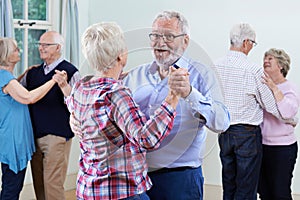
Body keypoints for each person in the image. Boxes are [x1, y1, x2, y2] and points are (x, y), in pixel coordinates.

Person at [67, 22, 184, 200]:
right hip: (120, 191)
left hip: (88, 189)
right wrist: (172, 98)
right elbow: (146, 138)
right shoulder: (116, 94)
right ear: (121, 56)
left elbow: (78, 108)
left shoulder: (80, 88)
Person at [121, 11, 230, 200]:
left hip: (181, 179)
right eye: (155, 35)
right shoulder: (134, 76)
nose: (160, 42)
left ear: (185, 41)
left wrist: (190, 93)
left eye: (169, 36)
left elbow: (222, 122)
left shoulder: (202, 74)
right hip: (135, 177)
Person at [214, 24, 297, 200]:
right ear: (245, 43)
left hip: (224, 132)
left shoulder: (216, 66)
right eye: (252, 43)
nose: (252, 47)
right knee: (246, 186)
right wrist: (288, 119)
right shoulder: (252, 70)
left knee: (229, 183)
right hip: (247, 135)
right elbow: (270, 105)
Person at [20, 31, 80, 200]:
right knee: (39, 184)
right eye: (39, 44)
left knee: (52, 184)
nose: (41, 48)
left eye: (46, 45)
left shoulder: (71, 72)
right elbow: (18, 94)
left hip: (57, 136)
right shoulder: (32, 73)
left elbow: (79, 103)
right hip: (34, 136)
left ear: (58, 47)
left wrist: (63, 85)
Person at [0, 37, 59, 199]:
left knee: (11, 184)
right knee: (12, 188)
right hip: (13, 141)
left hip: (12, 138)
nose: (18, 51)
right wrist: (53, 80)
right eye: (14, 49)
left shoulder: (7, 78)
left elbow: (10, 92)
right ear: (6, 55)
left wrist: (23, 75)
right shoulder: (5, 77)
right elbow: (28, 98)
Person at [258, 48, 300, 200]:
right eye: (265, 58)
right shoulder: (262, 86)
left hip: (283, 149)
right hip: (262, 146)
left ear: (281, 65)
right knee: (264, 192)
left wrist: (274, 88)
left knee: (280, 193)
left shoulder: (290, 88)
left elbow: (288, 112)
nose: (266, 61)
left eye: (271, 58)